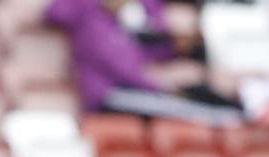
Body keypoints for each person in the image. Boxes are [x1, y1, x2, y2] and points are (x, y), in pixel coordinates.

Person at [46, 0, 243, 125]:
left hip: (143, 88)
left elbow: (153, 54)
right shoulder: (93, 22)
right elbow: (134, 73)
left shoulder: (131, 16)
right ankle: (232, 119)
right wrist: (173, 78)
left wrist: (179, 40)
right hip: (112, 96)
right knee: (190, 108)